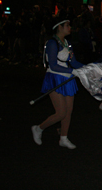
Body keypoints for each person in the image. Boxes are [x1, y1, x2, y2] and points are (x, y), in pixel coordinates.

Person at [31, 18, 84, 149]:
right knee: (61, 112)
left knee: (69, 111)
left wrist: (89, 68)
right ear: (59, 27)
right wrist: (73, 71)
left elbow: (74, 62)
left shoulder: (67, 43)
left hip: (67, 78)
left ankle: (63, 138)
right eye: (67, 25)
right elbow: (53, 66)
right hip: (54, 78)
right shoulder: (52, 43)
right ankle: (38, 128)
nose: (69, 27)